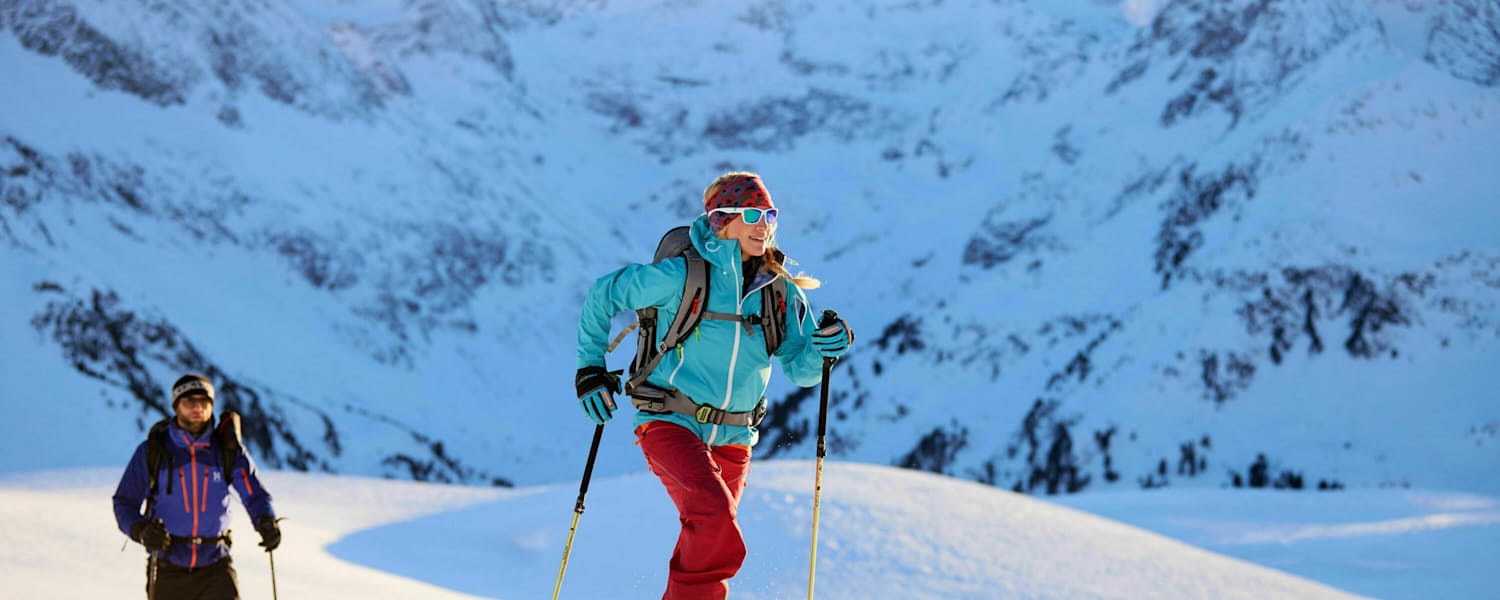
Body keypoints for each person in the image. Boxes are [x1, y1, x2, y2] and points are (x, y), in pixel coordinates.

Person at [575, 171, 854, 599]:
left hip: (736, 435)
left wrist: (824, 349)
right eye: (753, 214)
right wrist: (590, 369)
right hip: (669, 421)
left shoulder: (778, 293)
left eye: (770, 214)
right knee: (715, 520)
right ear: (722, 220)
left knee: (707, 536)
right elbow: (603, 295)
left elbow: (800, 370)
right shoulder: (680, 276)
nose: (765, 224)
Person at [112, 374, 281, 599]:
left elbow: (254, 494)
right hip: (167, 567)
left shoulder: (227, 451)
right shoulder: (153, 451)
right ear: (176, 405)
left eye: (205, 402)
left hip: (216, 567)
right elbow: (125, 502)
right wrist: (140, 530)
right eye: (189, 401)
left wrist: (266, 521)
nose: (198, 407)